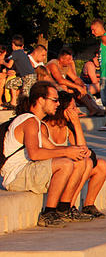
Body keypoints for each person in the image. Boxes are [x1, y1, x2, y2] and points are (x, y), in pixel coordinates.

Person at [1, 82, 90, 227]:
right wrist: (66, 151)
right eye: (54, 100)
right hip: (16, 175)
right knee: (66, 163)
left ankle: (64, 208)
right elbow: (35, 153)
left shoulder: (34, 121)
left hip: (28, 171)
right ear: (41, 100)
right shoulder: (29, 121)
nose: (57, 104)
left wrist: (76, 151)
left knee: (79, 161)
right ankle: (48, 213)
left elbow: (53, 149)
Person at [42, 91, 106, 219]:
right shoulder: (44, 126)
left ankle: (88, 205)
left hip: (68, 167)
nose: (76, 110)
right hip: (55, 169)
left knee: (102, 165)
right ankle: (68, 206)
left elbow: (82, 148)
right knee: (86, 162)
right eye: (72, 108)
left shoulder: (67, 126)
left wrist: (77, 124)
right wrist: (71, 151)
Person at [47, 47, 104, 117]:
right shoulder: (53, 64)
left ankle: (93, 109)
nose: (70, 61)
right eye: (68, 60)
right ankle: (70, 110)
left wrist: (82, 85)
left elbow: (75, 78)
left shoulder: (67, 66)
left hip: (60, 87)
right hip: (51, 87)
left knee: (79, 90)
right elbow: (60, 80)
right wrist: (77, 86)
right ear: (61, 59)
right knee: (65, 87)